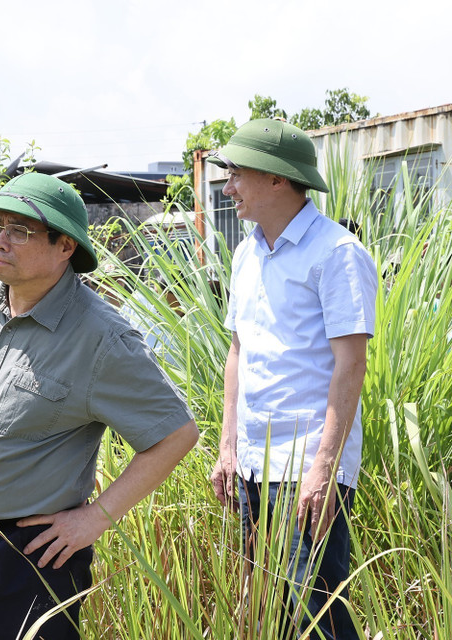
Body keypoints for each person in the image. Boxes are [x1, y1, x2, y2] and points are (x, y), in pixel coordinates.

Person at [0, 173, 198, 639]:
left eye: (19, 230)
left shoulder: (102, 338)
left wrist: (94, 519)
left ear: (65, 246)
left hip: (29, 557)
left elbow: (175, 435)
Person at [208, 119, 378, 640]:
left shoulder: (337, 253)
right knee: (264, 608)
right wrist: (227, 446)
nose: (228, 186)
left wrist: (323, 469)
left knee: (316, 611)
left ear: (278, 179)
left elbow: (351, 365)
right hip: (251, 465)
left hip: (304, 466)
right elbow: (238, 351)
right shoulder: (245, 254)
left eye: (237, 174)